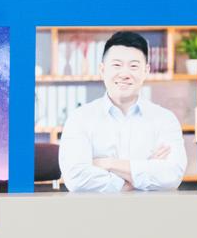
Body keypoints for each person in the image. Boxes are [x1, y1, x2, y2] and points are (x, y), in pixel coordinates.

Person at [57, 31, 188, 193]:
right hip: (94, 215)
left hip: (151, 214)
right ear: (102, 69)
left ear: (146, 71)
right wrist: (138, 176)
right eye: (117, 65)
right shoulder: (79, 119)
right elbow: (76, 178)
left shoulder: (165, 120)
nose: (125, 74)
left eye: (133, 66)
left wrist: (108, 163)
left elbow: (172, 175)